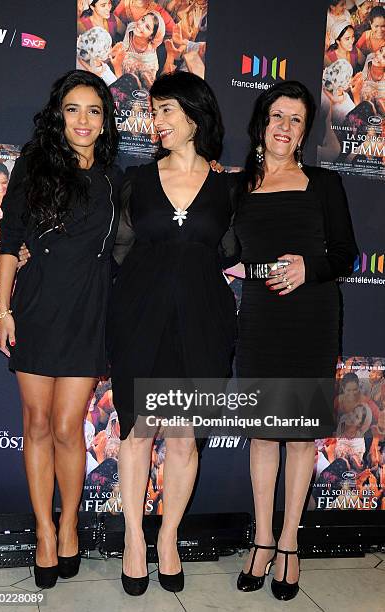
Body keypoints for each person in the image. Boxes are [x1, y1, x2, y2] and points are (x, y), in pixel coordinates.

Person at [109, 70, 237, 596]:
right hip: (139, 318)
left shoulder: (230, 186)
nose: (154, 120)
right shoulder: (134, 181)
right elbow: (114, 250)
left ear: (193, 116)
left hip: (204, 323)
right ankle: (134, 542)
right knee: (139, 432)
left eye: (165, 111)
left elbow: (233, 251)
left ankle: (167, 539)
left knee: (184, 438)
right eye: (153, 110)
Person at [230, 81, 358, 600]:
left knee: (301, 435)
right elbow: (219, 249)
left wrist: (311, 267)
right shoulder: (237, 187)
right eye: (277, 116)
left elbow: (348, 254)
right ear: (262, 123)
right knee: (262, 434)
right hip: (260, 320)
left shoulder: (324, 183)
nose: (285, 127)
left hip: (311, 318)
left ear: (306, 131)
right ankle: (261, 539)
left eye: (297, 120)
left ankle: (289, 543)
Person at [0, 70, 121, 589]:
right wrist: (2, 309)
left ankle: (70, 525)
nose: (83, 120)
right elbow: (10, 239)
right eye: (73, 109)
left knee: (70, 428)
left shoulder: (117, 179)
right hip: (38, 308)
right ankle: (44, 532)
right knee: (37, 425)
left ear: (104, 120)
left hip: (89, 311)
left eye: (94, 110)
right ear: (58, 115)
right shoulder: (34, 164)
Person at [110, 11, 166, 89]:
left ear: (151, 37)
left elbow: (142, 94)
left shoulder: (150, 65)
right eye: (143, 19)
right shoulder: (131, 28)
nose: (140, 25)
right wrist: (112, 53)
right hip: (112, 74)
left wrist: (117, 66)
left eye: (147, 27)